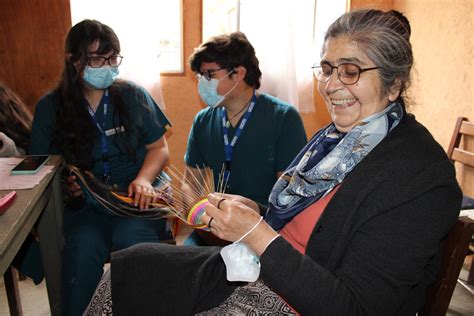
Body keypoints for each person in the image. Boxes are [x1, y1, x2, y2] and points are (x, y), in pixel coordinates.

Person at [85, 9, 462, 315]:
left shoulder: (421, 176)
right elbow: (311, 224)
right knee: (126, 269)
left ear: (395, 84)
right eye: (327, 69)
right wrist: (257, 212)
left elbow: (355, 306)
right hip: (264, 266)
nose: (330, 85)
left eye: (350, 71)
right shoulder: (335, 140)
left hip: (294, 296)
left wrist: (255, 232)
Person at [29, 20, 171, 315]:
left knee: (137, 249)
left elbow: (159, 149)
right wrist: (65, 182)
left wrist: (145, 179)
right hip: (85, 206)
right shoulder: (50, 107)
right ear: (73, 59)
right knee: (81, 256)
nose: (107, 66)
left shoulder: (133, 95)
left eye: (112, 58)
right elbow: (43, 168)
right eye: (97, 59)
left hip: (134, 201)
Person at [180, 32, 307, 244]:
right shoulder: (203, 120)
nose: (202, 83)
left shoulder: (283, 118)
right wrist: (199, 216)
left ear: (238, 73)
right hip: (215, 227)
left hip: (265, 230)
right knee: (182, 265)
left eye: (209, 74)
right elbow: (190, 184)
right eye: (200, 76)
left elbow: (289, 195)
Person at [0, 82, 44, 285]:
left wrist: (7, 154)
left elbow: (23, 155)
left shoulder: (10, 129)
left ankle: (38, 264)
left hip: (21, 188)